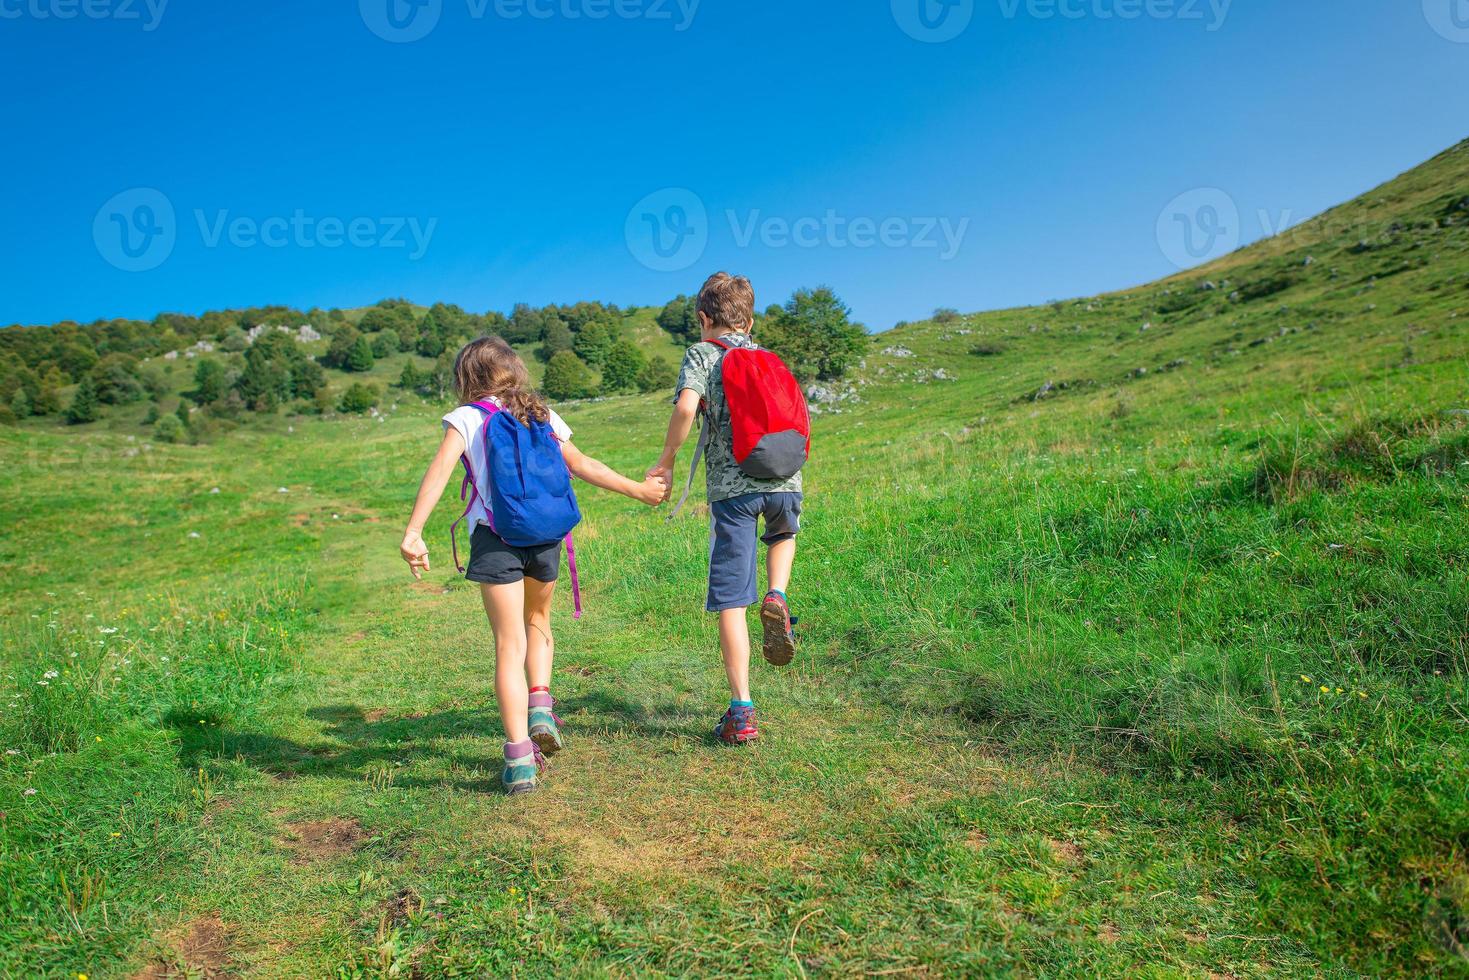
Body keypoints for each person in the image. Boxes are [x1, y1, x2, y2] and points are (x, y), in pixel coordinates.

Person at [400, 336, 668, 793]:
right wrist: (638, 490)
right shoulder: (540, 412)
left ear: (468, 378)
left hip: (495, 538)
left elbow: (441, 470)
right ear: (514, 370)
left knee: (508, 644)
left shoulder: (466, 418)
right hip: (545, 534)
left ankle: (521, 760)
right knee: (538, 618)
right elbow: (583, 464)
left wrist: (414, 531)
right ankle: (540, 703)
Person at [647, 273, 804, 745]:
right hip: (785, 481)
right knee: (782, 536)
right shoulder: (764, 356)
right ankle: (777, 594)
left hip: (733, 491)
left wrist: (667, 459)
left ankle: (743, 711)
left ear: (703, 319)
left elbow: (686, 408)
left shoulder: (702, 354)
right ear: (750, 320)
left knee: (733, 602)